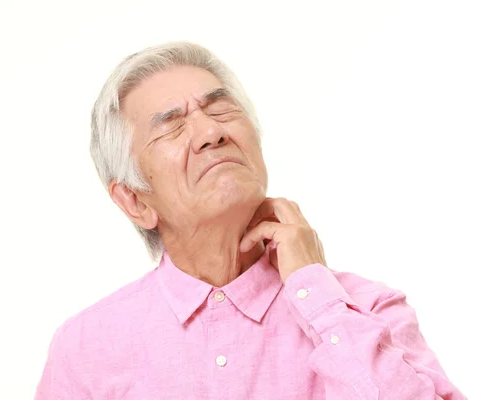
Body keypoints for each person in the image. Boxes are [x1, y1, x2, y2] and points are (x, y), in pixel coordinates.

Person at [35, 41, 466, 400]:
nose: (211, 132)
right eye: (172, 126)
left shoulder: (367, 308)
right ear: (133, 200)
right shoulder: (84, 349)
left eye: (221, 110)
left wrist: (316, 293)